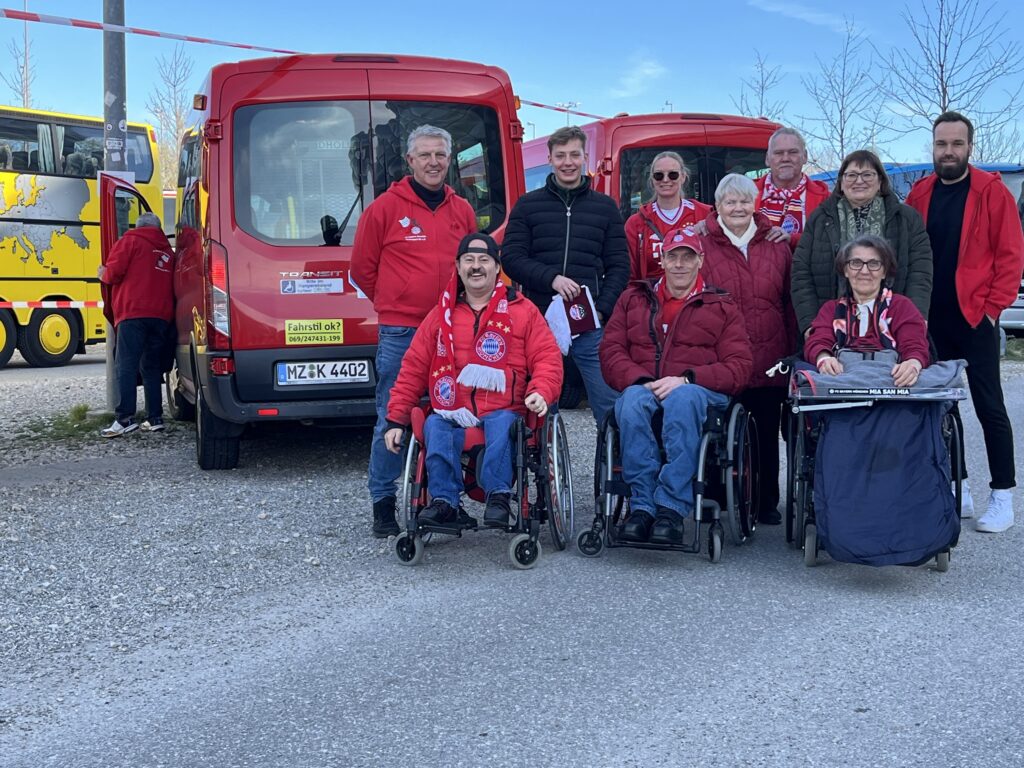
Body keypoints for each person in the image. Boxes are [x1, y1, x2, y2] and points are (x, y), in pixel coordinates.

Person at [383, 233, 562, 528]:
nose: (476, 267)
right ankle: (444, 503)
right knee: (434, 425)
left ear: (496, 267)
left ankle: (499, 497)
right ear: (458, 266)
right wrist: (395, 420)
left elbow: (547, 358)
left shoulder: (523, 310)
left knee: (503, 423)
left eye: (483, 260)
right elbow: (413, 368)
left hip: (505, 410)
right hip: (453, 409)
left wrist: (541, 390)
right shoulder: (441, 315)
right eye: (469, 260)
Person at [351, 124, 478, 538]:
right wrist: (394, 303)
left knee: (454, 412)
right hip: (403, 331)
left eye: (440, 155)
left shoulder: (462, 210)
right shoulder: (385, 209)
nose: (433, 162)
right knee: (393, 415)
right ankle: (383, 501)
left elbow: (474, 269)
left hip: (454, 330)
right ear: (410, 161)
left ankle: (446, 497)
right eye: (425, 155)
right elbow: (362, 271)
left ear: (450, 160)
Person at [905, 111, 1024, 533]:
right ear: (933, 147)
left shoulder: (991, 192)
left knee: (990, 407)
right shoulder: (920, 194)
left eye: (956, 144)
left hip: (976, 317)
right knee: (941, 407)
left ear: (969, 147)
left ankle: (1003, 496)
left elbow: (1011, 256)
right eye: (941, 144)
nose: (948, 151)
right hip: (930, 322)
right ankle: (961, 488)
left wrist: (993, 309)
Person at [599, 227, 753, 544]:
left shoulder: (721, 306)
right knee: (630, 403)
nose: (680, 264)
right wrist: (642, 381)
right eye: (674, 257)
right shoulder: (633, 299)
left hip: (698, 390)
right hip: (646, 385)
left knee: (683, 400)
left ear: (700, 261)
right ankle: (641, 506)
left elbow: (739, 366)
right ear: (663, 261)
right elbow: (611, 352)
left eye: (688, 257)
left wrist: (687, 379)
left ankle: (670, 506)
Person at [501, 125, 629, 427]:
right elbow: (511, 258)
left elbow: (619, 266)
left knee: (607, 402)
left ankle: (614, 467)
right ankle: (545, 467)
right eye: (560, 155)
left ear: (585, 157)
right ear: (550, 159)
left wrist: (601, 308)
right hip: (539, 318)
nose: (568, 162)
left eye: (574, 154)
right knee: (541, 402)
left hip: (589, 321)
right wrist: (551, 279)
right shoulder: (528, 205)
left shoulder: (606, 208)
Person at [701, 174, 796, 525]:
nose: (738, 208)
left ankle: (766, 500)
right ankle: (715, 495)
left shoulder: (776, 244)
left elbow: (788, 302)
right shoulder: (703, 245)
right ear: (718, 206)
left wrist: (793, 350)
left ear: (754, 204)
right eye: (730, 202)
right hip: (721, 355)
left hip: (770, 351)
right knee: (717, 427)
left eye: (744, 201)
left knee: (766, 429)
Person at [792, 149, 933, 336]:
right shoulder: (820, 219)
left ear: (881, 181)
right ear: (841, 182)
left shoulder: (906, 219)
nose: (859, 181)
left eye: (867, 174)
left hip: (893, 326)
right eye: (851, 175)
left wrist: (914, 320)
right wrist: (811, 325)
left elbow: (920, 272)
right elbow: (801, 273)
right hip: (830, 327)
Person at [804, 235, 930, 384]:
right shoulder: (831, 309)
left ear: (884, 272)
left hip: (893, 387)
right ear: (845, 270)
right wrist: (823, 358)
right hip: (841, 386)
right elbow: (818, 341)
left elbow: (915, 345)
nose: (864, 271)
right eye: (856, 263)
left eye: (874, 263)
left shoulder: (901, 306)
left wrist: (913, 364)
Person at [97, 212, 175, 437]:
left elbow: (114, 274)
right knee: (151, 367)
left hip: (133, 313)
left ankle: (124, 419)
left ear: (138, 226)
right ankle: (155, 418)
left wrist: (103, 273)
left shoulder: (130, 241)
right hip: (161, 316)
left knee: (126, 365)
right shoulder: (168, 252)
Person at [624, 151, 711, 279]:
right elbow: (630, 274)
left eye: (673, 175)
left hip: (696, 295)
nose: (665, 180)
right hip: (653, 296)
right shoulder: (636, 223)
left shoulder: (704, 214)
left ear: (683, 177)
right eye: (659, 175)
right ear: (652, 179)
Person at [754, 127, 830, 249]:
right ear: (767, 159)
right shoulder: (745, 194)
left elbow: (829, 241)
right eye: (778, 153)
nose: (785, 158)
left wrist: (793, 239)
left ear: (804, 157)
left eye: (793, 152)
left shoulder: (825, 199)